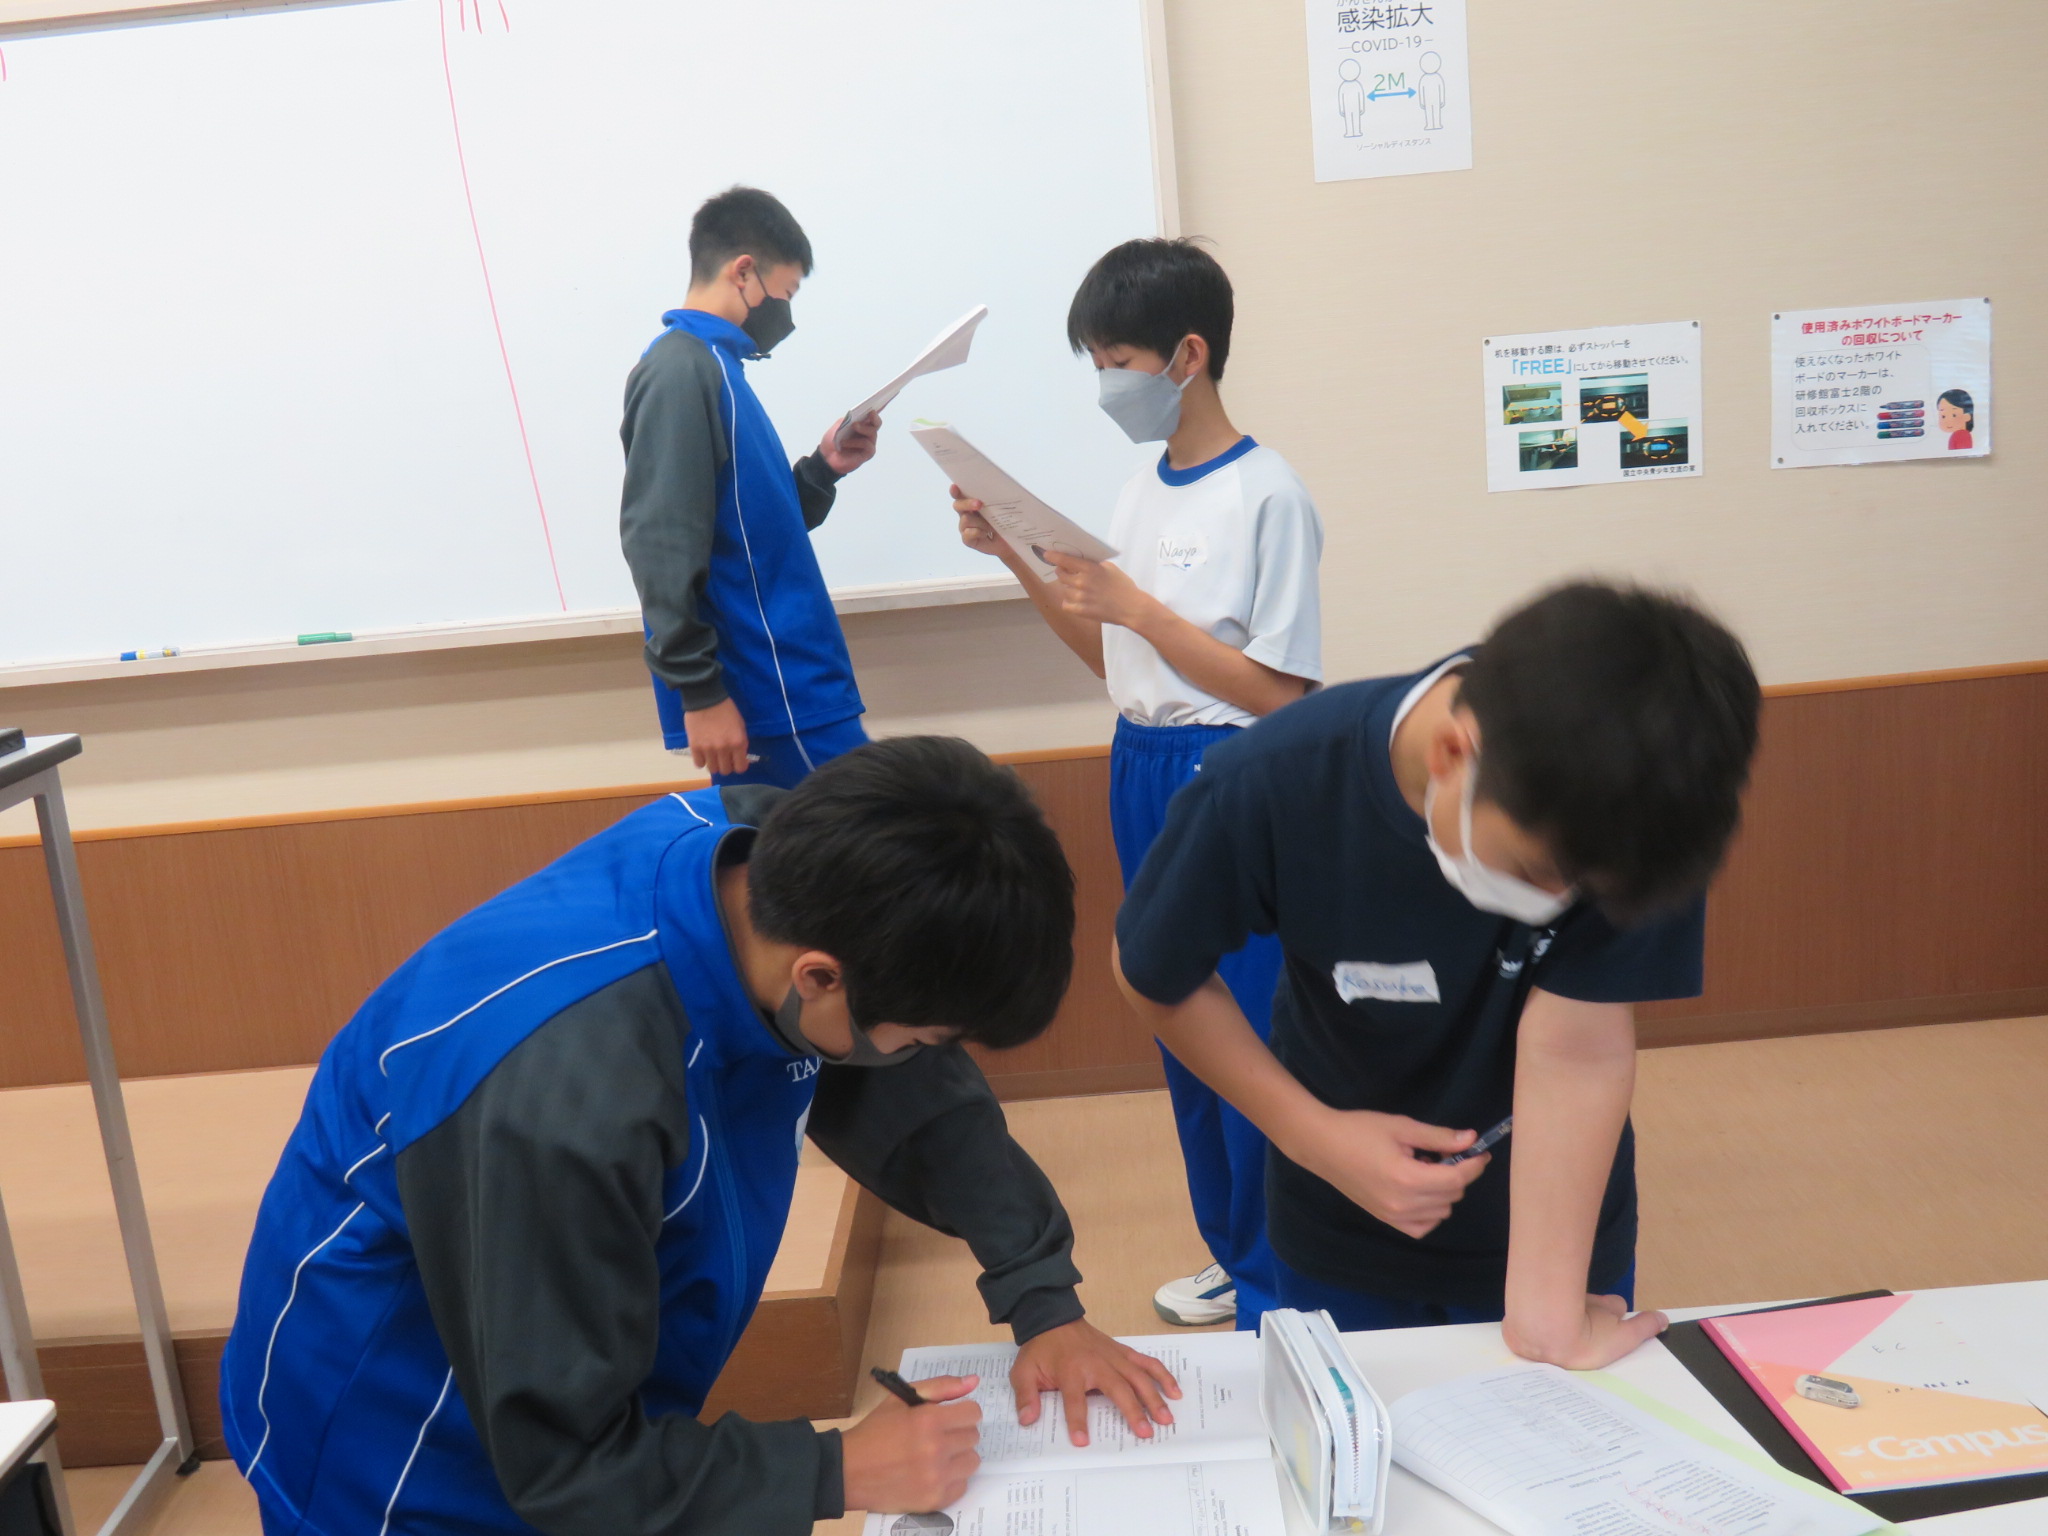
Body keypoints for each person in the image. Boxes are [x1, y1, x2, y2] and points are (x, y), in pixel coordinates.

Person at [221, 737, 1181, 1536]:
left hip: (557, 1367)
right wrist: (837, 1470)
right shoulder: (564, 1106)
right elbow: (566, 1466)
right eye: (922, 1035)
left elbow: (909, 1084)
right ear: (818, 978)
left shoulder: (778, 862)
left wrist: (1041, 1298)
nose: (921, 1056)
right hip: (397, 1453)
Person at [1112, 581, 1761, 1369]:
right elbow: (1153, 970)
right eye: (1539, 871)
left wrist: (1546, 1309)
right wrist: (1313, 1136)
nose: (1561, 903)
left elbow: (1577, 1047)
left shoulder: (1646, 807)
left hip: (1554, 1226)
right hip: (1340, 1216)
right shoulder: (1275, 780)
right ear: (1454, 754)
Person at [951, 238, 1323, 1333]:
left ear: (1187, 356)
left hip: (1233, 773)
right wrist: (1016, 558)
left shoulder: (1267, 494)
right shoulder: (1137, 492)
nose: (1105, 384)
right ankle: (1234, 1251)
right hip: (1141, 763)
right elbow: (1115, 661)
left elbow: (1283, 696)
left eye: (1115, 361)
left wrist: (1141, 612)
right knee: (1176, 1014)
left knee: (1247, 1027)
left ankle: (1281, 1278)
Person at [620, 186, 876, 788]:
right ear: (743, 272)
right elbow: (659, 542)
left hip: (787, 683)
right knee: (872, 834)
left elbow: (748, 527)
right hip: (769, 685)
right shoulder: (682, 371)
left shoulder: (719, 367)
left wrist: (822, 469)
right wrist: (700, 691)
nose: (784, 312)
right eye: (785, 292)